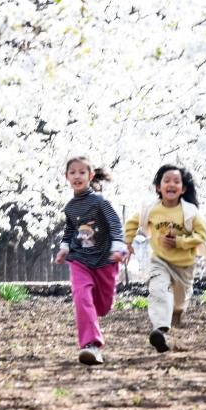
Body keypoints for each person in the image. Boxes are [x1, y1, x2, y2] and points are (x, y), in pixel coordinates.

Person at [125, 164, 206, 353]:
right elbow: (133, 222)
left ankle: (176, 313)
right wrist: (128, 242)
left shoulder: (189, 212)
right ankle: (160, 329)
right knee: (158, 290)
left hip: (184, 265)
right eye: (166, 181)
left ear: (183, 188)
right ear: (158, 187)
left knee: (178, 304)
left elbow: (202, 235)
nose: (171, 184)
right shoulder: (151, 209)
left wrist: (180, 242)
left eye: (176, 181)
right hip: (159, 261)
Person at [54, 156, 127, 365]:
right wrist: (64, 248)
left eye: (82, 172)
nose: (77, 176)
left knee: (102, 307)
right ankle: (91, 345)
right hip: (80, 260)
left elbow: (114, 224)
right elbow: (70, 229)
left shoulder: (99, 201)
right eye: (73, 172)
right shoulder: (70, 207)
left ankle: (92, 323)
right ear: (67, 176)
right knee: (81, 297)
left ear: (90, 176)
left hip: (104, 260)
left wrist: (118, 247)